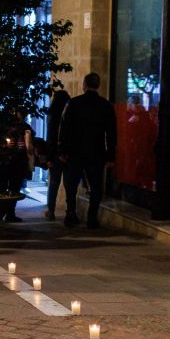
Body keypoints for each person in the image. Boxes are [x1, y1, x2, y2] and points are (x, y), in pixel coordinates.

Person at [59, 72, 117, 229]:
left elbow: (64, 129)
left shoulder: (73, 103)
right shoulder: (106, 106)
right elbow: (111, 133)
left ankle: (71, 213)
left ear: (84, 85)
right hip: (96, 152)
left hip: (75, 152)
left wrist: (63, 150)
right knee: (96, 186)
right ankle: (92, 217)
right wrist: (110, 155)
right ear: (98, 85)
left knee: (71, 185)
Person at [0, 108, 34, 222]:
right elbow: (29, 147)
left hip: (11, 160)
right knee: (10, 187)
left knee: (7, 187)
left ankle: (5, 213)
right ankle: (7, 213)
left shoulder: (22, 127)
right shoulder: (24, 127)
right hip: (13, 160)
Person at [44, 90, 71, 221]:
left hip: (55, 154)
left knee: (54, 183)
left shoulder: (52, 115)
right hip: (68, 154)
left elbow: (50, 138)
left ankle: (51, 210)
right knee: (69, 183)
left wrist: (49, 157)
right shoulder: (69, 114)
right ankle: (70, 211)